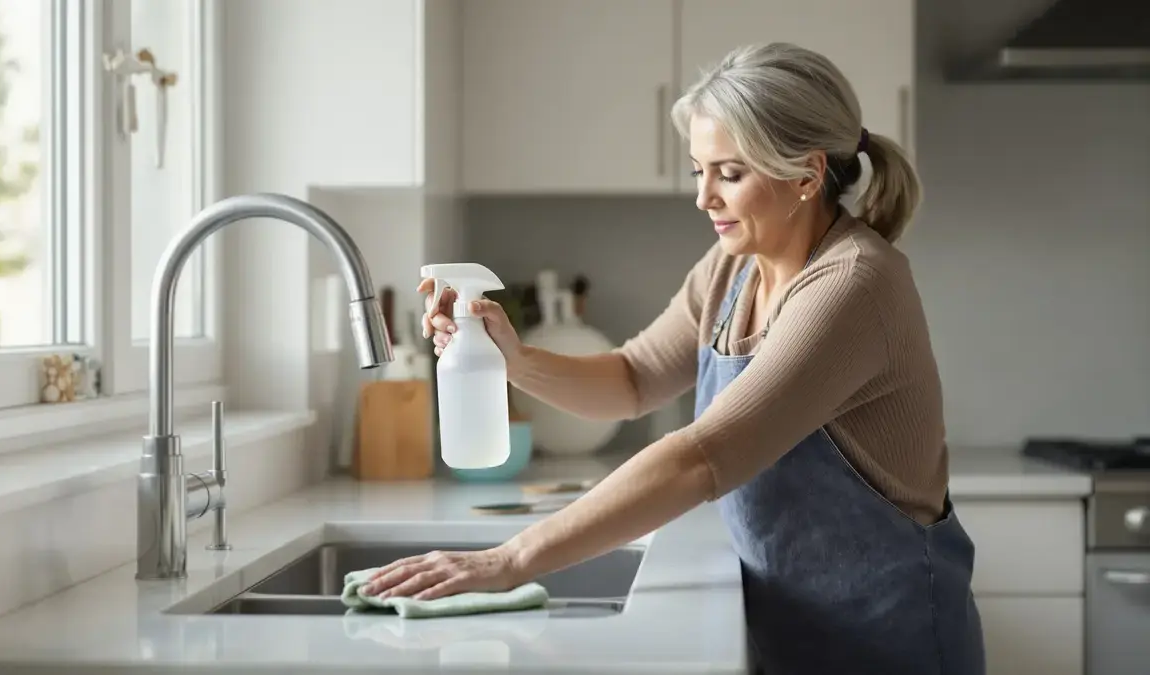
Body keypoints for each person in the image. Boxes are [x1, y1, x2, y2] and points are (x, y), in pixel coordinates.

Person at [360, 42, 986, 675]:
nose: (704, 198)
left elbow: (703, 457)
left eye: (730, 173)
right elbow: (631, 380)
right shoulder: (733, 267)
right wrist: (513, 360)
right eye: (698, 171)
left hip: (885, 644)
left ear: (805, 174)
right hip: (794, 630)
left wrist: (510, 560)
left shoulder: (853, 285)